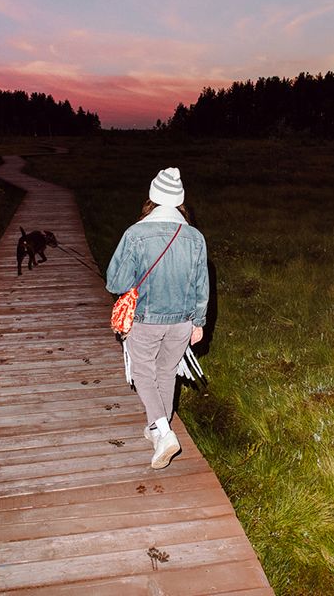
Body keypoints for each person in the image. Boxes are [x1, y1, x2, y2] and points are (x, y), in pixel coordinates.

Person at [106, 167, 209, 469]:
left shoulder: (135, 234)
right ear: (179, 202)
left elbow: (115, 282)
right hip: (182, 322)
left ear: (152, 198)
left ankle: (163, 432)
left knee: (142, 372)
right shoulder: (195, 237)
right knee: (165, 373)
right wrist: (199, 322)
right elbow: (202, 285)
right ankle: (157, 428)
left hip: (146, 319)